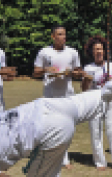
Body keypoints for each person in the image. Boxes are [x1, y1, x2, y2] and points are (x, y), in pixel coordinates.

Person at [33, 25, 84, 169]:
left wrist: (74, 74)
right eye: (60, 34)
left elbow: (78, 71)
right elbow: (36, 72)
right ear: (53, 37)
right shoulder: (45, 52)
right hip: (50, 94)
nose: (63, 37)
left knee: (67, 125)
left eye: (64, 34)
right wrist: (46, 70)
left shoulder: (72, 52)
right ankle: (54, 158)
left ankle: (64, 158)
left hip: (67, 94)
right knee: (52, 126)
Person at [82, 35, 112, 171]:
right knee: (96, 132)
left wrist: (111, 82)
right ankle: (100, 162)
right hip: (95, 102)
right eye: (95, 49)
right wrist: (88, 79)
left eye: (100, 49)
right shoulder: (88, 68)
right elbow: (84, 89)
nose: (98, 51)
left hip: (111, 101)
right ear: (92, 52)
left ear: (105, 51)